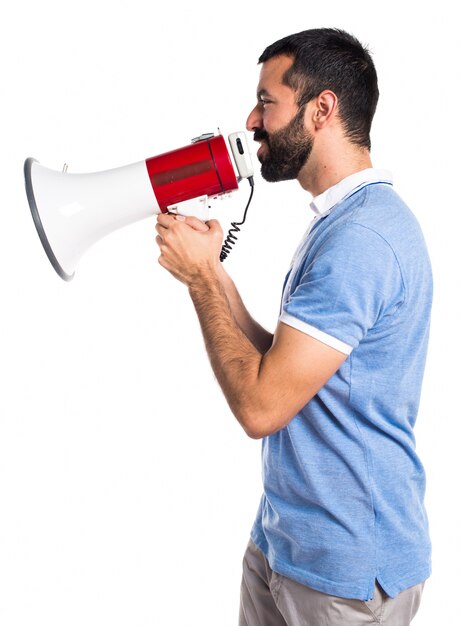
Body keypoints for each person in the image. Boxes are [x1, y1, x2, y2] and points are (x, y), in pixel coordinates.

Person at [155, 27, 432, 626]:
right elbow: (283, 368)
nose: (252, 119)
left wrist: (203, 281)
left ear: (321, 109)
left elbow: (260, 407)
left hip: (344, 568)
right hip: (286, 542)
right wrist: (213, 276)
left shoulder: (361, 239)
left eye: (267, 101)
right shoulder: (343, 221)